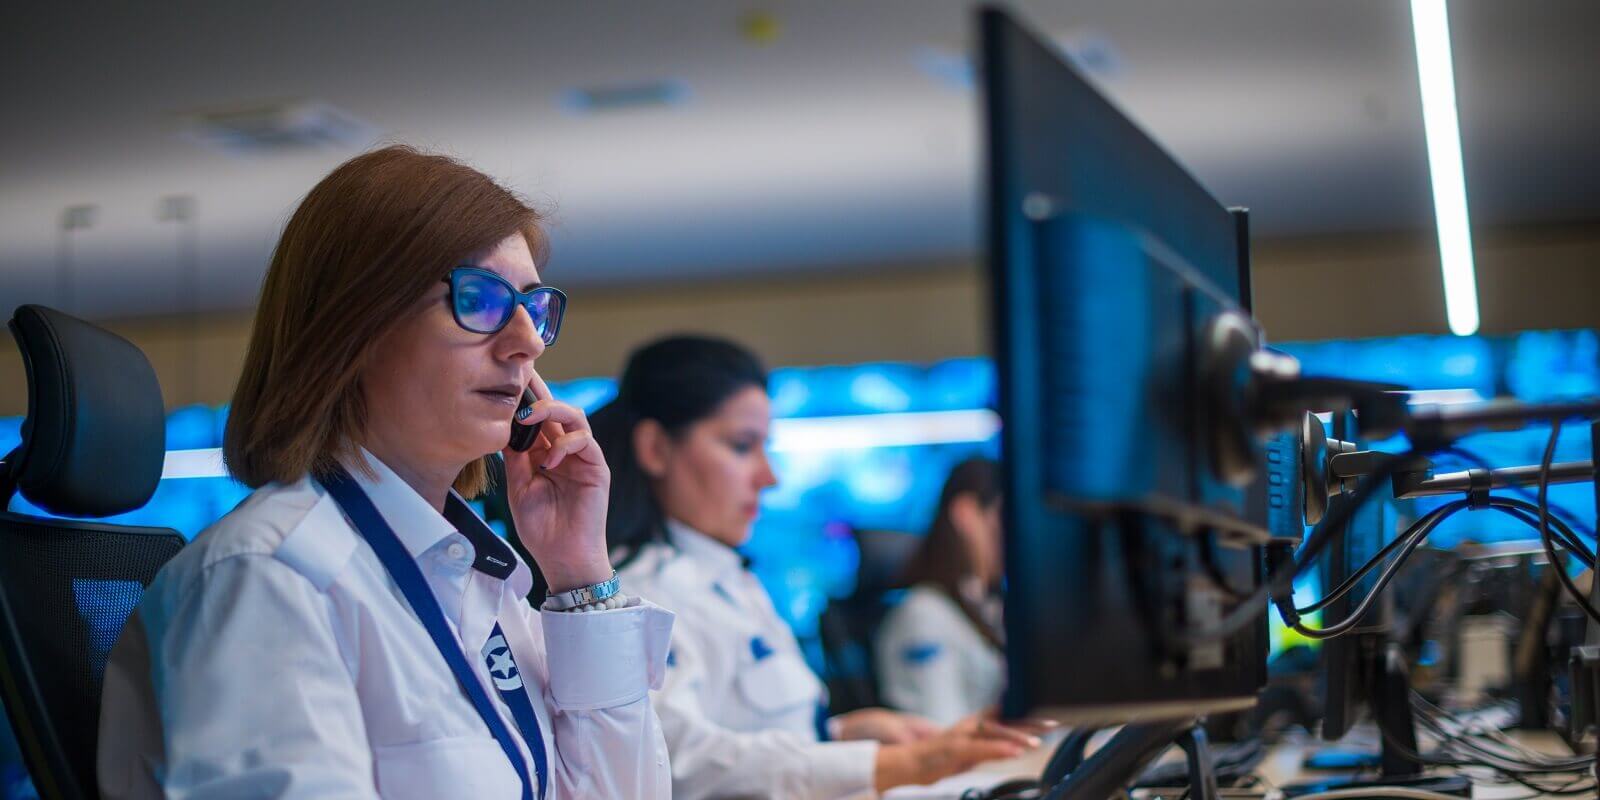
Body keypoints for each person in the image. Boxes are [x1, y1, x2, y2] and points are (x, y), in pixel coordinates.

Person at [97, 145, 674, 799]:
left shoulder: (468, 574)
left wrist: (578, 577)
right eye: (480, 299)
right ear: (356, 324)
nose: (528, 341)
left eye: (532, 307)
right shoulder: (270, 579)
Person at [593, 335, 1044, 800]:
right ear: (655, 448)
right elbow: (678, 761)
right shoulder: (637, 592)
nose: (769, 477)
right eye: (742, 446)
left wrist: (842, 734)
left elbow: (751, 733)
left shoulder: (731, 579)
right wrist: (906, 763)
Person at [875, 458, 1006, 726]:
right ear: (967, 514)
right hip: (967, 766)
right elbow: (945, 731)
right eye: (1005, 517)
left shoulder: (988, 605)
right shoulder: (924, 616)